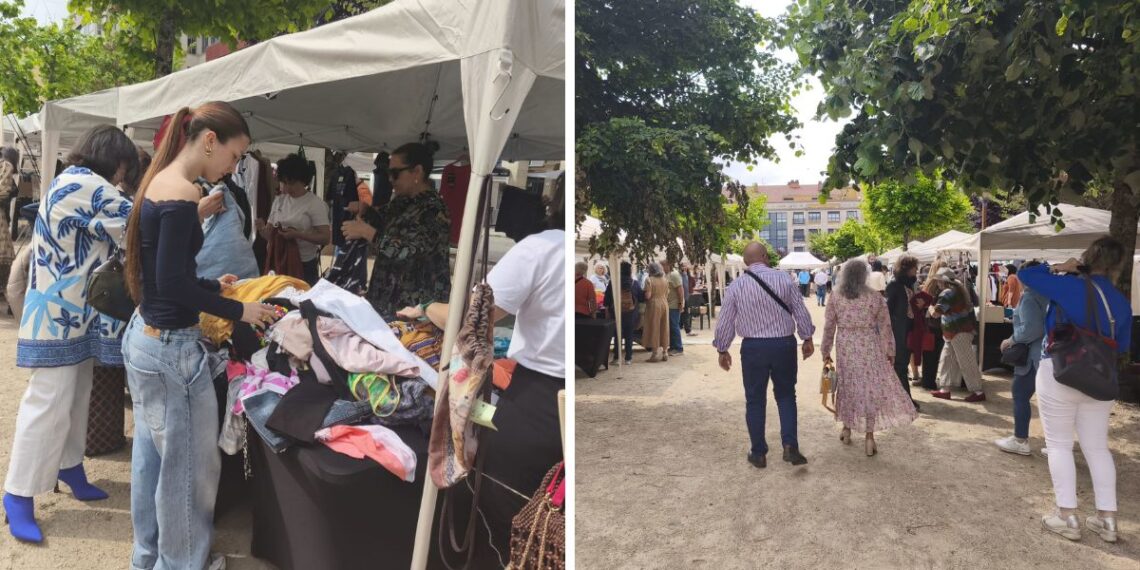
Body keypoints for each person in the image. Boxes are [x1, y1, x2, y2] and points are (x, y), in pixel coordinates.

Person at [120, 103, 278, 568]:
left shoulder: (158, 181)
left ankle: (147, 558)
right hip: (172, 350)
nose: (234, 167)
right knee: (189, 472)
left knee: (152, 460)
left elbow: (165, 276)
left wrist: (212, 286)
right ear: (210, 141)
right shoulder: (183, 192)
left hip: (146, 338)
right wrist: (241, 309)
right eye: (235, 155)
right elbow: (172, 284)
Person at [396, 181, 566, 566]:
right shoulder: (549, 250)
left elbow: (471, 316)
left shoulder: (541, 248)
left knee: (508, 510)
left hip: (537, 403)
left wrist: (425, 308)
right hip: (546, 398)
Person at [3, 126, 139, 544]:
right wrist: (194, 208)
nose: (123, 174)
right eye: (124, 166)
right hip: (59, 314)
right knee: (48, 400)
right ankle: (17, 494)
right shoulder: (85, 185)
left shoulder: (74, 180)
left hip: (71, 313)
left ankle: (69, 466)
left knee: (77, 393)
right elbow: (138, 221)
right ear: (114, 159)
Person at [1019, 239, 1131, 543]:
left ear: (1087, 257)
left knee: (1059, 445)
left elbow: (1026, 275)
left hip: (1061, 370)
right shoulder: (1120, 301)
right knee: (1097, 448)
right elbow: (1122, 345)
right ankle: (1107, 519)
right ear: (1117, 265)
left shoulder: (1070, 285)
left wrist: (1060, 267)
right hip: (1100, 377)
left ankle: (1067, 515)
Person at [714, 242, 815, 468]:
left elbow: (725, 320)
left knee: (755, 400)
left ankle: (758, 453)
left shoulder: (737, 285)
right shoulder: (784, 279)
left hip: (753, 348)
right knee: (786, 395)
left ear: (745, 261)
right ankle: (790, 446)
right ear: (764, 256)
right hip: (783, 344)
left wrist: (722, 348)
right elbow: (800, 310)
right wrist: (807, 337)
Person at [342, 142, 451, 318]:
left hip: (414, 309)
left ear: (417, 172)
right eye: (388, 173)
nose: (390, 179)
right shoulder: (401, 202)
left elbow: (409, 253)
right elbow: (382, 219)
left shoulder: (434, 210)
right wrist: (366, 209)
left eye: (395, 173)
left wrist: (367, 232)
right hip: (384, 302)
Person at [821, 259, 918, 456]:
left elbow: (829, 326)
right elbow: (885, 326)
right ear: (865, 275)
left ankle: (847, 428)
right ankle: (869, 437)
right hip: (870, 346)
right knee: (869, 388)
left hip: (846, 346)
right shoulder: (874, 297)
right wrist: (890, 351)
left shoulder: (835, 296)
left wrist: (825, 350)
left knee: (848, 385)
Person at [994, 260, 1049, 456]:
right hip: (1047, 354)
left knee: (1020, 394)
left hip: (1034, 356)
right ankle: (1056, 444)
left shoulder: (1030, 297)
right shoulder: (1048, 294)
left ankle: (1020, 440)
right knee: (1050, 401)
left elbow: (1032, 329)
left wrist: (1011, 340)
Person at [258, 153, 331, 285]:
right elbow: (269, 235)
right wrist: (262, 229)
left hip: (304, 264)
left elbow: (325, 238)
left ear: (303, 180)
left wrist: (297, 234)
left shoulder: (315, 204)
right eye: (284, 183)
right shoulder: (279, 200)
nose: (286, 188)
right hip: (279, 260)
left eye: (291, 183)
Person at [929, 268, 986, 402]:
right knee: (947, 360)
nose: (937, 283)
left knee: (966, 362)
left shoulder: (947, 293)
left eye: (939, 280)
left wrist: (930, 307)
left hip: (957, 332)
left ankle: (978, 392)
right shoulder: (958, 290)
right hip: (955, 332)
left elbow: (936, 313)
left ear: (943, 281)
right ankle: (945, 389)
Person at [884, 254, 921, 411]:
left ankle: (900, 399)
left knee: (901, 365)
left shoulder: (908, 285)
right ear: (907, 268)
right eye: (914, 268)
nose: (916, 270)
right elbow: (887, 311)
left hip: (907, 330)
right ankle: (905, 400)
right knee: (900, 366)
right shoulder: (895, 285)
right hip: (897, 332)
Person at [604, 261, 638, 365]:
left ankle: (617, 358)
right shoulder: (634, 282)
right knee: (629, 334)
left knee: (617, 334)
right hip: (630, 311)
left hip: (616, 311)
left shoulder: (613, 282)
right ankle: (628, 358)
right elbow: (640, 296)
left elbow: (607, 298)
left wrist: (607, 308)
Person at [642, 262, 671, 362]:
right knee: (664, 327)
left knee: (655, 327)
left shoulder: (649, 280)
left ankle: (654, 353)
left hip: (654, 304)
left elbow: (648, 296)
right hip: (664, 303)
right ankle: (665, 352)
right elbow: (667, 294)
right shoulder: (665, 279)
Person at [661, 260, 686, 356]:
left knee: (674, 326)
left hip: (674, 305)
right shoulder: (667, 275)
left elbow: (680, 290)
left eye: (662, 265)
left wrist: (680, 303)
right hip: (668, 305)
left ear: (667, 265)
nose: (661, 268)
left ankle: (678, 348)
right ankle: (673, 347)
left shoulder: (674, 275)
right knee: (670, 327)